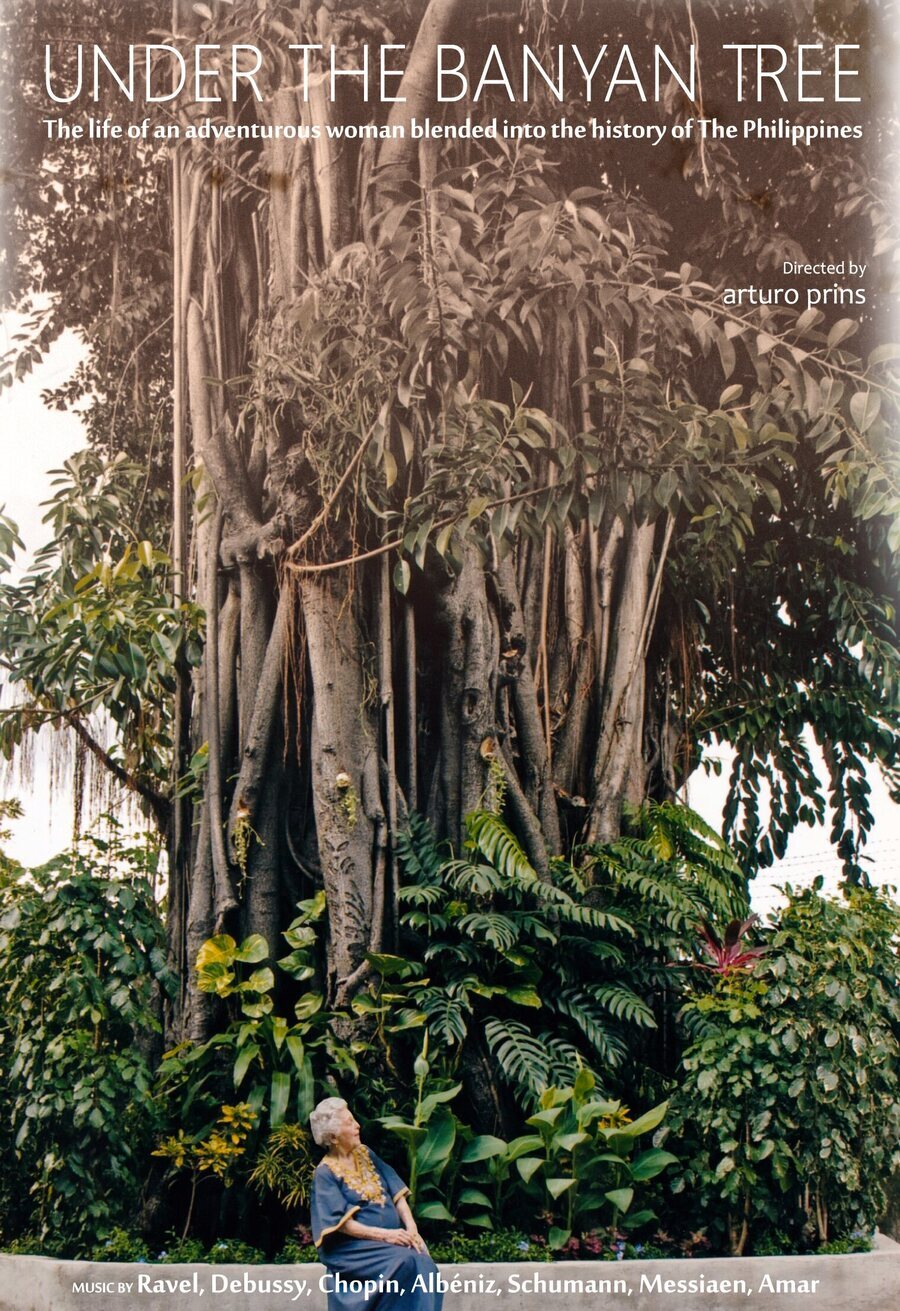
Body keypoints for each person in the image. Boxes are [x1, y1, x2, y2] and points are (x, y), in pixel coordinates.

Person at [308, 1097, 444, 1311]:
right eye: (350, 1122)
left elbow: (397, 1194)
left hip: (390, 1242)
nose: (357, 1126)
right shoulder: (325, 1173)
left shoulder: (366, 1154)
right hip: (352, 1249)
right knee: (406, 1262)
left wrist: (412, 1229)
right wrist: (387, 1235)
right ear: (334, 1136)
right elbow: (343, 1224)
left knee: (425, 1265)